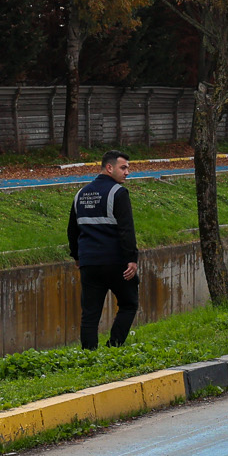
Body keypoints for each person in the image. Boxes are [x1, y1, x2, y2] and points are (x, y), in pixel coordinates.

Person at [68, 149, 140, 349]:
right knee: (129, 303)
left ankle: (89, 354)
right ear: (109, 168)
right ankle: (114, 346)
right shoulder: (119, 193)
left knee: (90, 314)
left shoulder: (80, 194)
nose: (127, 172)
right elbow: (126, 229)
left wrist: (76, 256)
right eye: (123, 168)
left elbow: (72, 230)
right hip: (116, 263)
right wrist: (132, 259)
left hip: (89, 263)